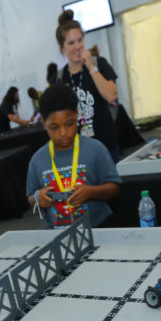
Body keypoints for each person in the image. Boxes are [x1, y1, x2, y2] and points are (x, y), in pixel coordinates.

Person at [25, 83, 121, 229]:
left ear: (77, 114)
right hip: (58, 234)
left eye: (69, 124)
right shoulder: (38, 160)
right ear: (44, 123)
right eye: (54, 127)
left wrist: (90, 192)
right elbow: (31, 198)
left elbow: (114, 188)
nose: (63, 133)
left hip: (98, 227)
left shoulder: (95, 149)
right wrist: (38, 198)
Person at [56, 10, 122, 162]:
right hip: (78, 153)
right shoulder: (58, 79)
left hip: (106, 147)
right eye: (71, 43)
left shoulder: (100, 64)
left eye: (80, 40)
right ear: (62, 48)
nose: (77, 46)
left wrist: (91, 67)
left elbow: (111, 97)